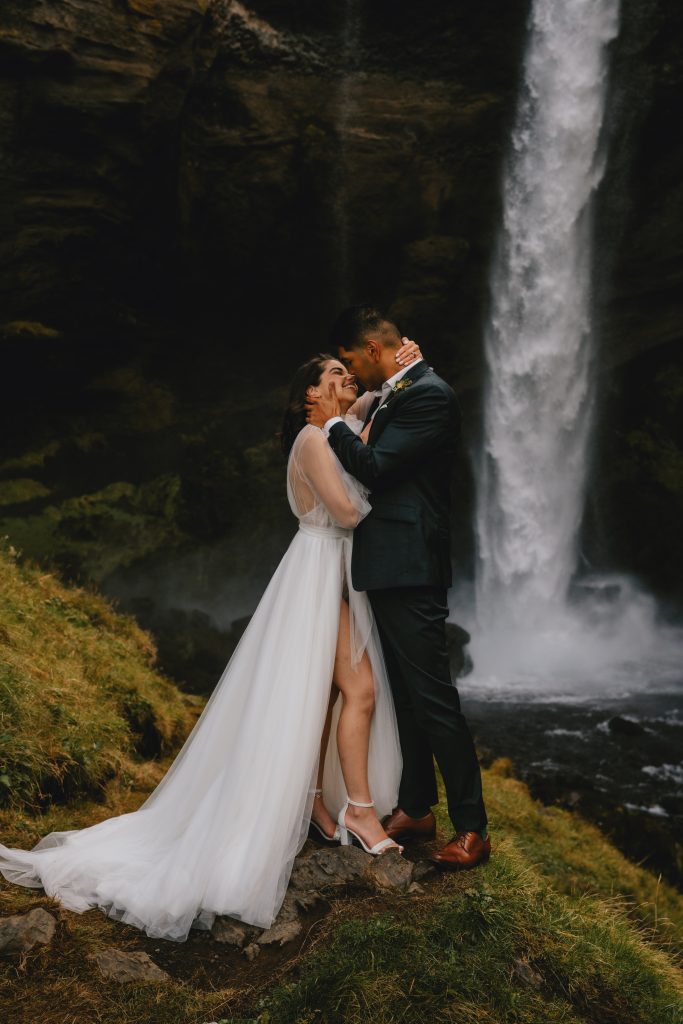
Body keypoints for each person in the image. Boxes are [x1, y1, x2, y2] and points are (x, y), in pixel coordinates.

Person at [0, 343, 422, 942]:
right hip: (320, 573)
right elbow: (347, 512)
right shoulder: (313, 440)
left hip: (335, 576)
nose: (348, 377)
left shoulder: (337, 428)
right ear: (309, 393)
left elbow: (376, 402)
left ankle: (319, 803)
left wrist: (402, 370)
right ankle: (356, 808)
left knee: (331, 694)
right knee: (358, 690)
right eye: (335, 374)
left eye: (348, 371)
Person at [306, 305, 490, 871]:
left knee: (434, 698)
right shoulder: (401, 389)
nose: (350, 373)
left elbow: (378, 466)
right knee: (408, 697)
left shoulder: (429, 395)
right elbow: (378, 411)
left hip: (411, 565)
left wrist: (332, 423)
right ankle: (415, 807)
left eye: (352, 361)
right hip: (389, 567)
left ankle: (473, 829)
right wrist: (379, 388)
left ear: (372, 347)